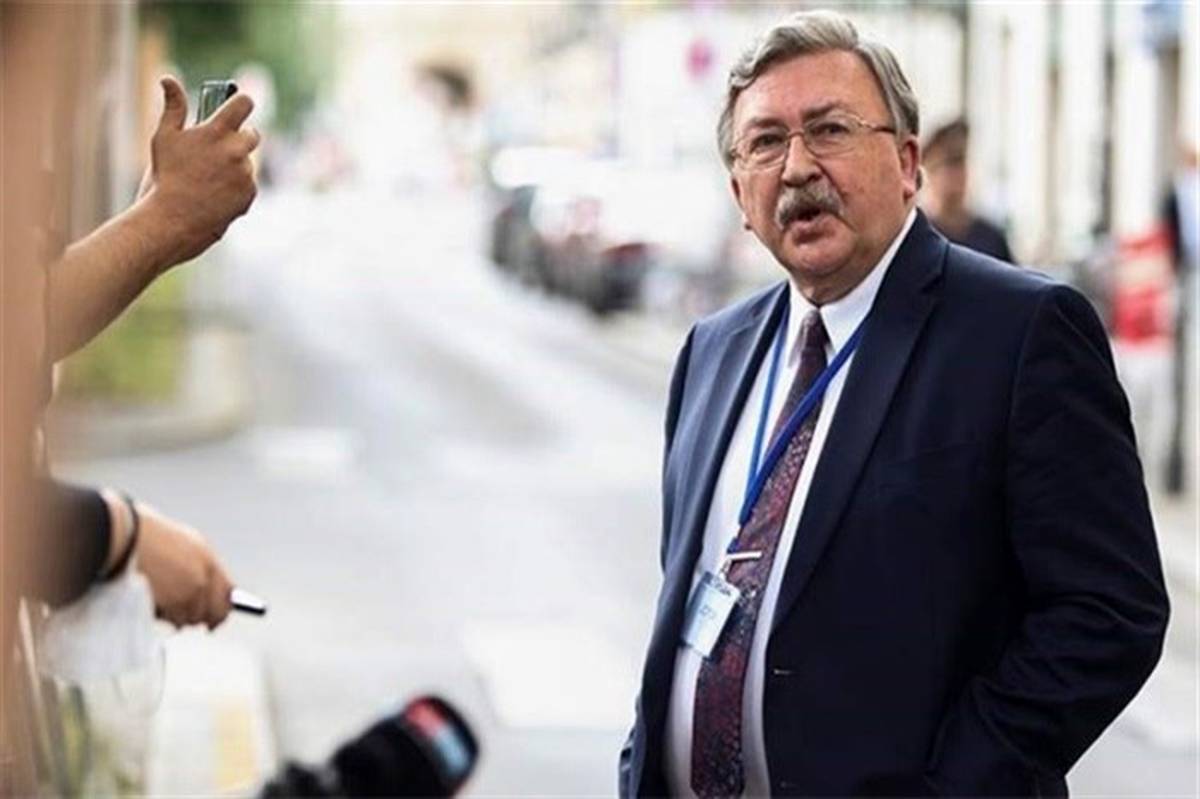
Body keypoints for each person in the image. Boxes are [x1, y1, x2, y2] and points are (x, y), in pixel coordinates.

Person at [621, 11, 1168, 797]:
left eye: (830, 129)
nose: (798, 167)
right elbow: (685, 603)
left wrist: (957, 780)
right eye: (765, 142)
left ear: (907, 163)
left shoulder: (1020, 332)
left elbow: (1109, 611)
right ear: (740, 192)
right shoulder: (712, 351)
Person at [921, 119, 1014, 263]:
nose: (957, 174)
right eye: (949, 165)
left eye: (961, 163)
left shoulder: (992, 238)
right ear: (929, 171)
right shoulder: (919, 235)